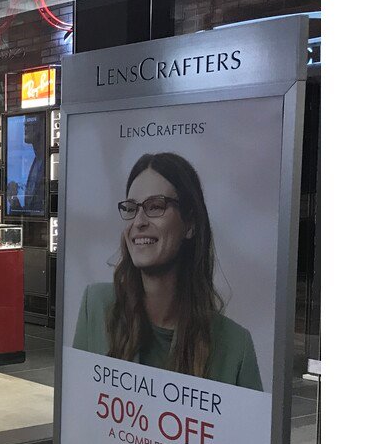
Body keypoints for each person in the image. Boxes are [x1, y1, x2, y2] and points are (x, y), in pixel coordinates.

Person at [72, 152, 262, 390]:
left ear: (190, 224)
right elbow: (78, 401)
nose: (138, 221)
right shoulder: (96, 306)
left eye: (155, 206)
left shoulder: (235, 346)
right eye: (131, 208)